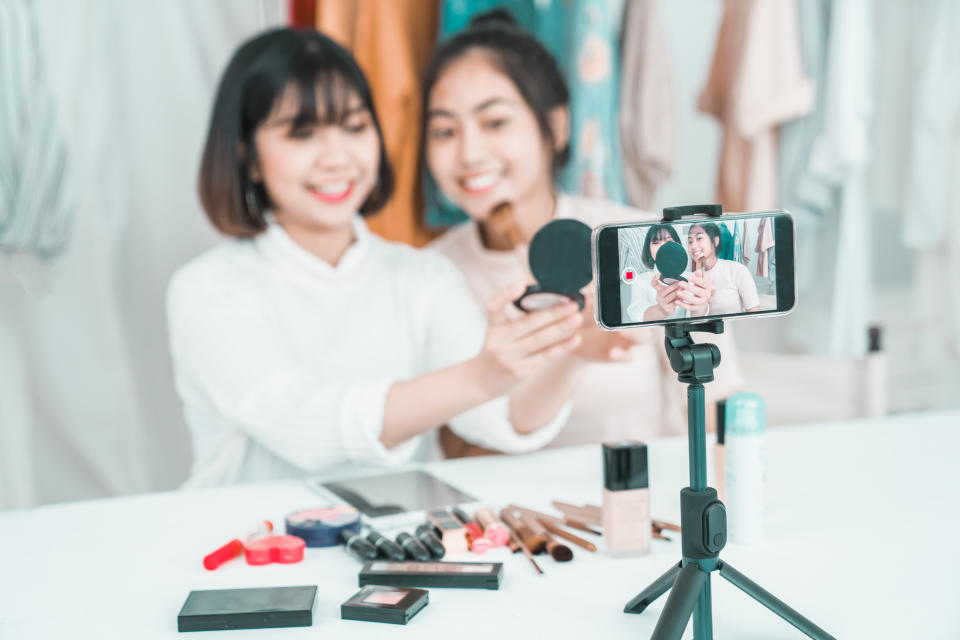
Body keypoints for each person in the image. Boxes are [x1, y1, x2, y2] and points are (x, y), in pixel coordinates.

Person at [166, 28, 585, 487]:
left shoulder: (423, 276)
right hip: (246, 545)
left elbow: (501, 418)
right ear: (247, 155)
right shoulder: (208, 290)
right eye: (302, 133)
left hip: (399, 549)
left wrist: (575, 351)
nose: (337, 157)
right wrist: (481, 376)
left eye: (355, 127)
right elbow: (308, 429)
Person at [423, 12, 743, 449]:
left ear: (555, 126)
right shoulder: (431, 273)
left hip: (647, 501)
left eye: (494, 122)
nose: (468, 151)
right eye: (444, 130)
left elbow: (716, 406)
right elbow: (462, 447)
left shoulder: (641, 236)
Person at [624, 224, 714, 322]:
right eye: (656, 242)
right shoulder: (640, 280)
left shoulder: (692, 278)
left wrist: (699, 306)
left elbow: (694, 319)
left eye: (669, 241)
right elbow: (637, 315)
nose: (663, 246)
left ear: (678, 246)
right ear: (649, 250)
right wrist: (661, 310)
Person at [687, 222, 760, 315]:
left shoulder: (737, 270)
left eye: (699, 238)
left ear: (715, 241)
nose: (693, 246)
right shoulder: (692, 279)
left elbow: (754, 313)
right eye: (690, 241)